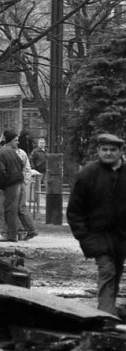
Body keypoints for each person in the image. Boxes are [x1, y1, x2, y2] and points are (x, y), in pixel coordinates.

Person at [67, 133, 126, 315]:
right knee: (107, 271)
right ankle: (105, 316)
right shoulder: (88, 174)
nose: (108, 153)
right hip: (97, 236)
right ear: (98, 151)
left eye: (112, 150)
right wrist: (84, 236)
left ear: (121, 151)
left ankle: (110, 311)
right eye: (104, 150)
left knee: (115, 273)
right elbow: (75, 209)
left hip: (122, 237)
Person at [0, 129, 38, 242]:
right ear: (9, 141)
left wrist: (23, 181)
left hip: (12, 184)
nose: (18, 142)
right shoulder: (7, 152)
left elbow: (25, 168)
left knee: (12, 209)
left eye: (18, 140)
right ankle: (19, 232)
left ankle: (14, 234)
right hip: (15, 183)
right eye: (15, 140)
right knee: (13, 209)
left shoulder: (18, 152)